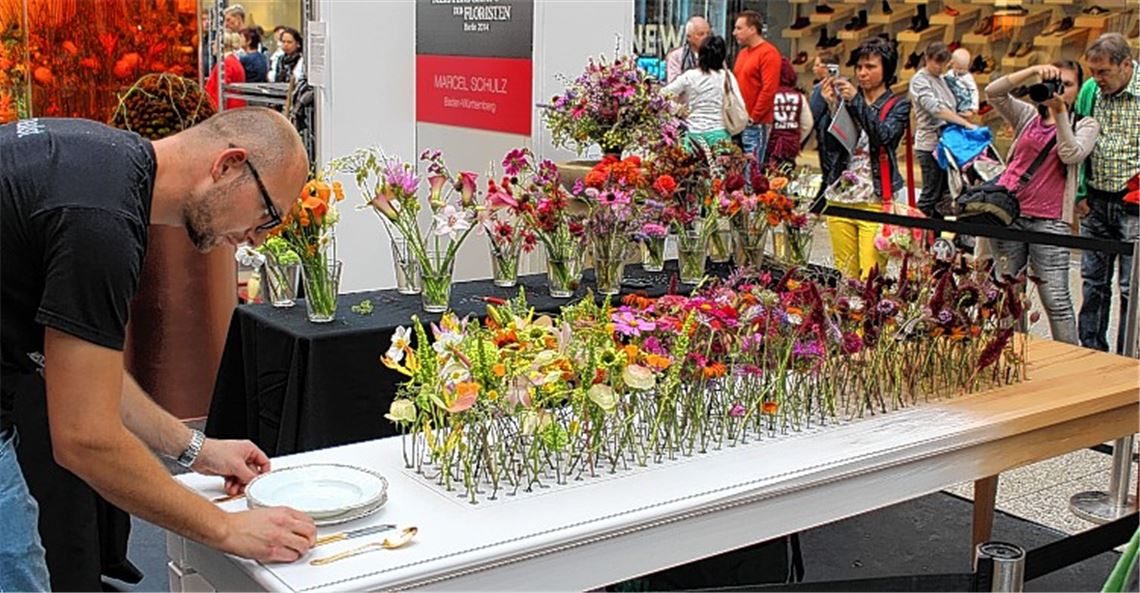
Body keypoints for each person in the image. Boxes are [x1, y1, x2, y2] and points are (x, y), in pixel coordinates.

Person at [0, 108, 316, 590]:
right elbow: (85, 437)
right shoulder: (99, 220)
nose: (257, 239)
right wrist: (227, 529)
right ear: (229, 165)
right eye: (267, 215)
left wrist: (195, 449)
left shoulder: (103, 167)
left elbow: (90, 377)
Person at [986, 63, 1099, 345]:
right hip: (1010, 214)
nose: (1059, 89)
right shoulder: (1027, 116)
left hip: (1049, 221)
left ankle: (1068, 364)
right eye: (1055, 82)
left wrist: (1060, 111)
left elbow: (1071, 153)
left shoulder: (1086, 124)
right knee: (1008, 296)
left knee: (1055, 298)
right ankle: (1009, 357)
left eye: (1068, 84)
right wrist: (1032, 70)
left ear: (1078, 89)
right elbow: (993, 92)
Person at [817, 37, 911, 278]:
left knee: (870, 277)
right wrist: (831, 107)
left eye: (870, 67)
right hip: (840, 197)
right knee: (846, 276)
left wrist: (857, 101)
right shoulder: (847, 103)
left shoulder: (898, 105)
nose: (862, 73)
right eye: (859, 67)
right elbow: (829, 147)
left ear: (886, 70)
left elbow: (884, 137)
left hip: (874, 199)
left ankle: (869, 317)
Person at [1075, 33, 1140, 353]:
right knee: (1093, 283)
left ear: (1126, 64)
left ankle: (1129, 356)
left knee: (1132, 287)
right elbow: (1079, 140)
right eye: (1092, 71)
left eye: (1103, 72)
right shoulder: (1090, 91)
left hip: (1133, 205)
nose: (1096, 79)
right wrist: (1079, 193)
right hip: (1096, 200)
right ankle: (1091, 350)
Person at [909, 42, 977, 218]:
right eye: (937, 63)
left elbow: (950, 106)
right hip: (930, 144)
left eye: (943, 64)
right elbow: (935, 108)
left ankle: (935, 239)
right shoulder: (920, 80)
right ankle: (916, 236)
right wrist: (964, 123)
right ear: (927, 59)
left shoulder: (942, 79)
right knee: (930, 194)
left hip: (946, 144)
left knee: (944, 197)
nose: (940, 67)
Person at [663, 35, 746, 152]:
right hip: (719, 133)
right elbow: (739, 102)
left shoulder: (690, 76)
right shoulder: (727, 77)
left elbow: (663, 95)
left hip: (694, 134)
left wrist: (676, 109)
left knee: (693, 169)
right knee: (720, 169)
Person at [732, 10, 783, 177]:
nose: (735, 32)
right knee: (736, 172)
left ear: (752, 29)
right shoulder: (742, 53)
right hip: (738, 121)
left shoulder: (769, 53)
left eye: (739, 28)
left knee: (750, 172)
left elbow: (769, 89)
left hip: (755, 122)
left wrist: (754, 116)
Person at [766, 57, 813, 169]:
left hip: (771, 144)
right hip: (790, 146)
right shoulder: (799, 97)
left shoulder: (769, 95)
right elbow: (808, 123)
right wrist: (796, 138)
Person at [205, 32, 248, 110]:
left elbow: (222, 90)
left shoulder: (226, 63)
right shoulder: (232, 61)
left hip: (229, 109)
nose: (212, 46)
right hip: (234, 107)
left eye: (214, 43)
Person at [666, 16, 710, 83]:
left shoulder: (715, 55)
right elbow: (674, 85)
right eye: (701, 34)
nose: (706, 37)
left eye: (708, 33)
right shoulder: (677, 56)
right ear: (689, 37)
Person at [945, 48, 979, 118]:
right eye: (958, 68)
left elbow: (974, 91)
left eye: (964, 69)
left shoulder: (967, 77)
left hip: (964, 102)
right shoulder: (950, 73)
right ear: (952, 64)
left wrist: (974, 106)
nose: (960, 71)